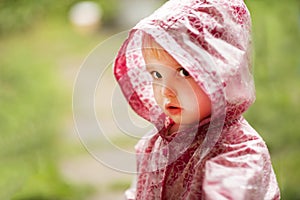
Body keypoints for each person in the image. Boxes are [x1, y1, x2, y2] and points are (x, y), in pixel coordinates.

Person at [113, 0, 280, 199]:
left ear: (223, 73)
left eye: (184, 72)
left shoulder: (237, 151)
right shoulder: (155, 142)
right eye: (157, 75)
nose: (166, 91)